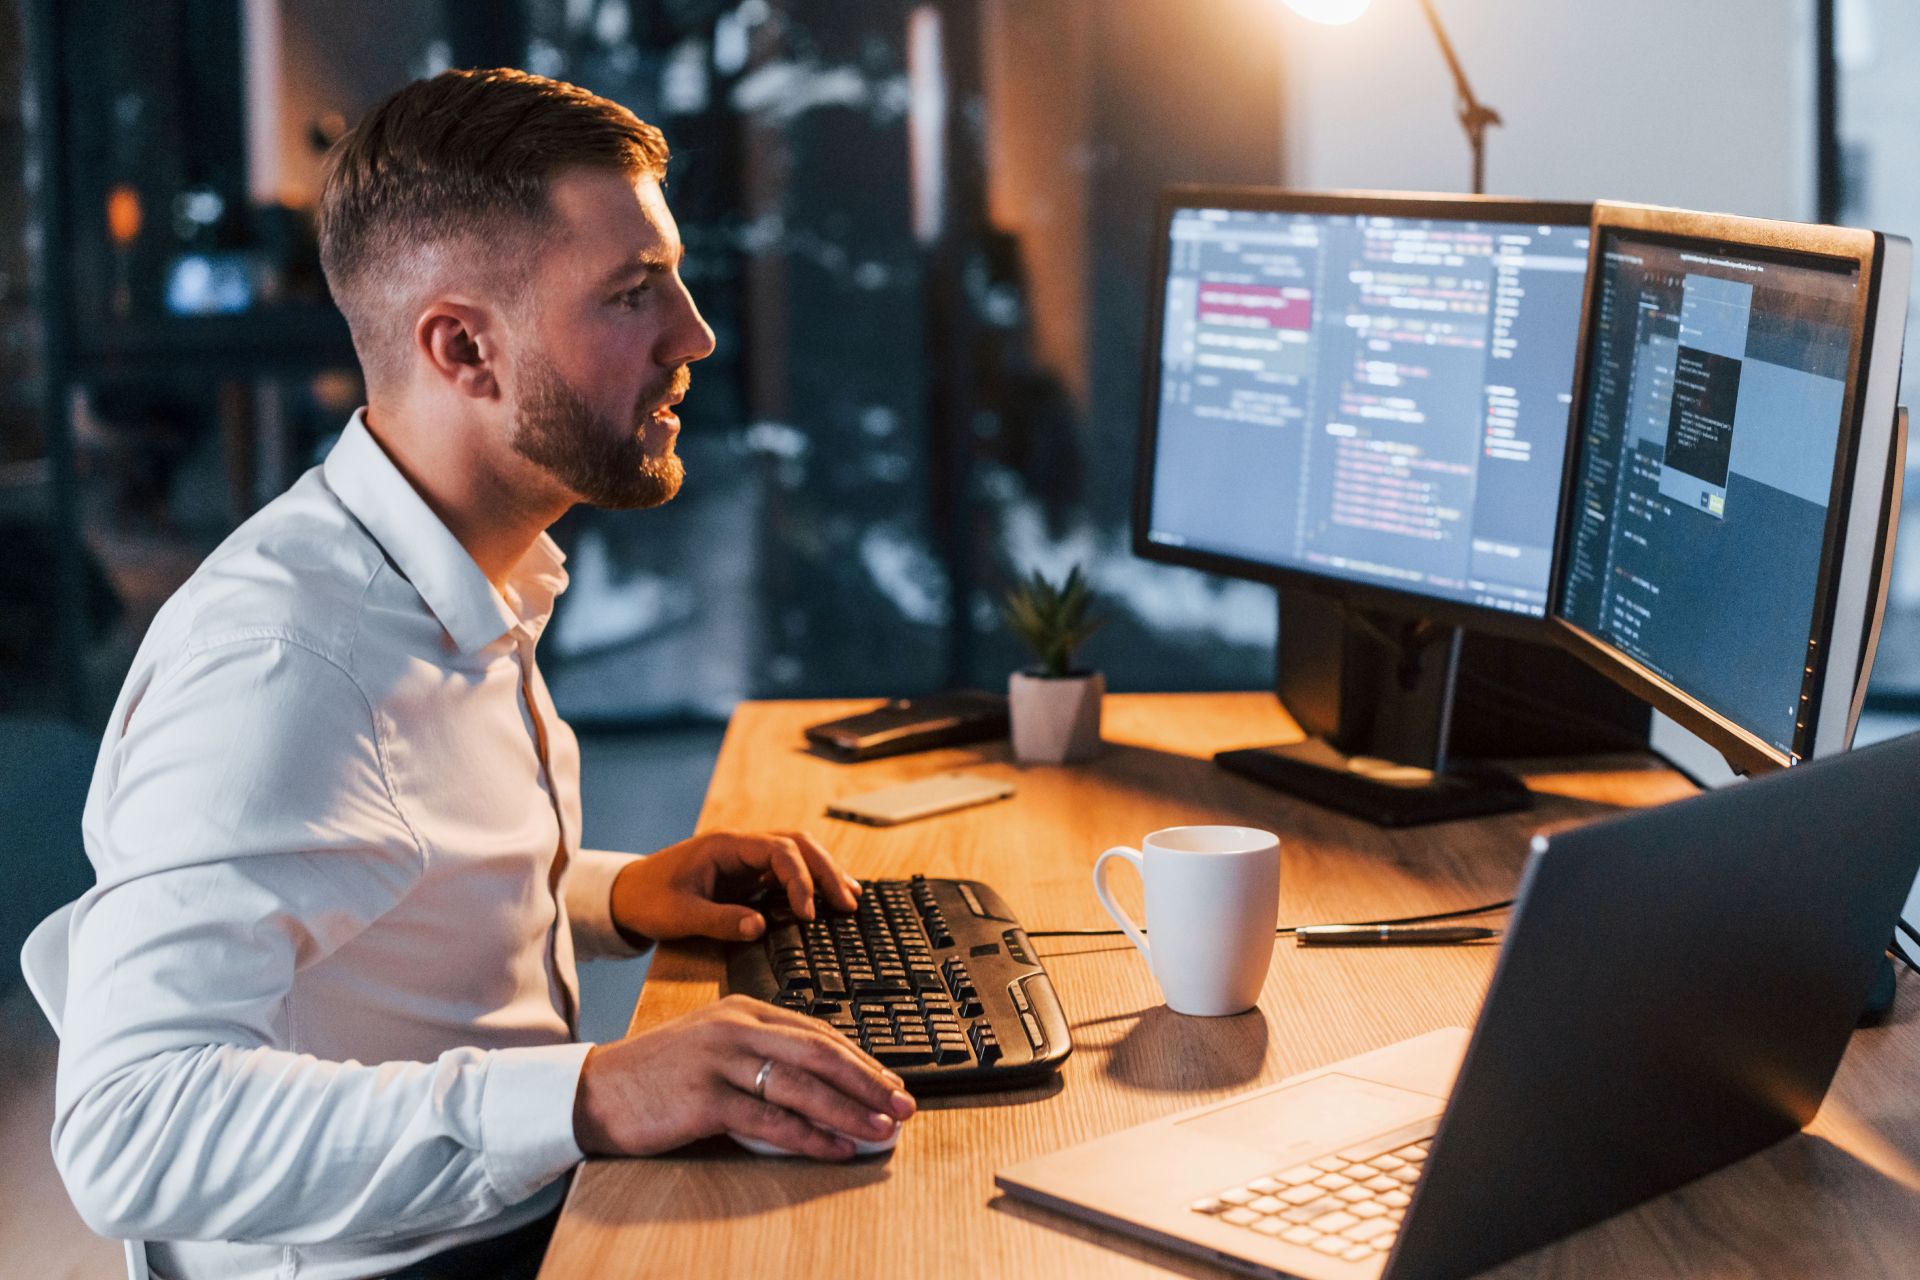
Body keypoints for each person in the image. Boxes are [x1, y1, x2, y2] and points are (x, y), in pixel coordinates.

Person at [52, 68, 914, 1280]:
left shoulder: (465, 570)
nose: (695, 334)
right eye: (631, 294)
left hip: (492, 1214)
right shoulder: (282, 664)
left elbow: (369, 900)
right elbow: (131, 1126)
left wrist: (606, 895)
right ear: (463, 347)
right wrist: (594, 1093)